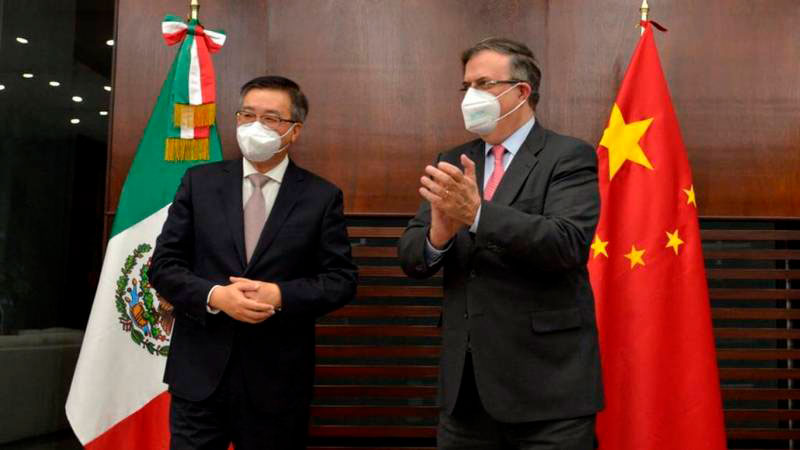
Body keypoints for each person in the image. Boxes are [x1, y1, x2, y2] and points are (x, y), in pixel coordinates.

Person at [398, 38, 603, 449]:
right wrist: (440, 234)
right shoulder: (454, 160)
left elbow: (566, 244)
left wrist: (477, 215)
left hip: (548, 388)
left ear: (521, 91)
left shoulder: (568, 156)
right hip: (466, 391)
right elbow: (412, 257)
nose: (470, 96)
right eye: (466, 86)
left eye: (483, 84)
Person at [149, 75, 358, 449]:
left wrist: (280, 295)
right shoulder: (199, 183)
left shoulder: (321, 196)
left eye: (270, 118)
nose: (255, 126)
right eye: (247, 115)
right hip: (199, 376)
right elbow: (163, 265)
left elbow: (341, 280)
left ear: (294, 131)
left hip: (277, 383)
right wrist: (215, 296)